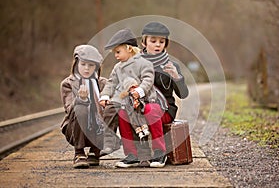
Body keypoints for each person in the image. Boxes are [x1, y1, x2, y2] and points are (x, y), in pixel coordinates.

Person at [118, 22, 189, 168]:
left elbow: (183, 94)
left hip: (164, 109)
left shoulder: (172, 65)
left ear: (166, 44)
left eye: (162, 42)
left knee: (151, 109)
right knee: (123, 111)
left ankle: (159, 152)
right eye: (153, 41)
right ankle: (132, 155)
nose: (158, 45)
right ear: (144, 42)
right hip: (139, 106)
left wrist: (176, 77)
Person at [99, 28, 161, 168]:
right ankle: (113, 143)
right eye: (115, 53)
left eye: (118, 52)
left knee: (138, 118)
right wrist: (105, 95)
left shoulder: (143, 63)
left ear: (129, 49)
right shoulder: (117, 68)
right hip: (125, 100)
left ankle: (144, 156)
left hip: (143, 100)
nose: (116, 55)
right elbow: (111, 82)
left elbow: (148, 79)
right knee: (115, 110)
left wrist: (140, 90)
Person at [60, 44, 106, 168]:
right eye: (83, 64)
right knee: (80, 107)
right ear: (76, 64)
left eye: (91, 65)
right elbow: (69, 109)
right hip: (75, 131)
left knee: (114, 109)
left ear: (96, 67)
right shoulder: (67, 84)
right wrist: (80, 99)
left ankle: (95, 151)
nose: (86, 68)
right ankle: (79, 153)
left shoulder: (103, 83)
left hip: (98, 130)